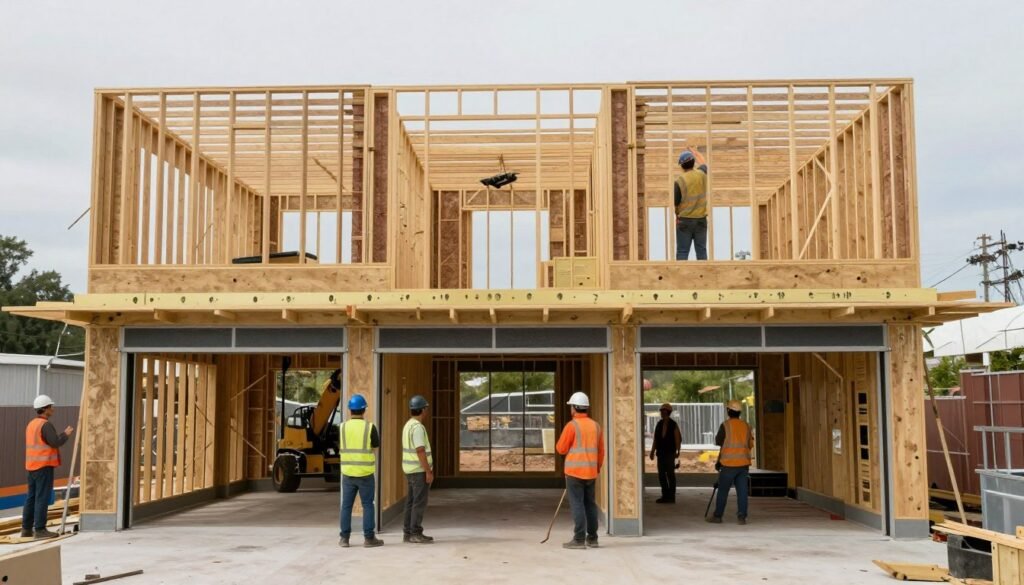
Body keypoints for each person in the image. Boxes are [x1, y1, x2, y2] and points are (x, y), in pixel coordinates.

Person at [555, 391, 605, 550]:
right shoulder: (596, 426)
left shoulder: (572, 426)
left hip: (574, 473)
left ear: (575, 408)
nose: (570, 410)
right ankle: (593, 538)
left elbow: (561, 449)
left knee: (577, 504)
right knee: (590, 504)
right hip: (591, 472)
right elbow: (601, 451)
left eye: (571, 407)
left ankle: (578, 539)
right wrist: (596, 468)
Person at [22, 395, 73, 539]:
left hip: (32, 466)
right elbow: (55, 442)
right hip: (43, 467)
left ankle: (26, 529)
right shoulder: (45, 425)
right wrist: (66, 434)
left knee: (31, 498)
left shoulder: (31, 424)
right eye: (51, 406)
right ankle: (40, 530)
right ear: (45, 409)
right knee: (42, 498)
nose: (53, 409)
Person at [338, 393, 383, 548]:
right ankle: (369, 538)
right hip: (365, 473)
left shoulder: (342, 427)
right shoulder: (370, 427)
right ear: (364, 410)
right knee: (368, 505)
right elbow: (375, 447)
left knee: (346, 506)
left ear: (350, 410)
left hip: (348, 473)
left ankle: (344, 538)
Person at [707, 399, 754, 525]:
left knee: (723, 490)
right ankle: (742, 517)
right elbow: (750, 444)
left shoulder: (725, 425)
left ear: (728, 410)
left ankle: (718, 516)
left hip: (728, 465)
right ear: (739, 412)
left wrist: (719, 461)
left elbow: (719, 442)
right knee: (742, 492)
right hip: (743, 465)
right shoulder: (747, 426)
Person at [401, 395, 434, 544]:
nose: (426, 411)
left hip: (410, 470)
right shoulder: (418, 428)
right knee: (419, 502)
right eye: (426, 408)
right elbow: (420, 451)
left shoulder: (408, 425)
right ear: (422, 410)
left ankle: (407, 533)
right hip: (418, 470)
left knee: (411, 502)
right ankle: (415, 532)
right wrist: (428, 471)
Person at [674, 146, 710, 261]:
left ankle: (681, 278)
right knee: (701, 252)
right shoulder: (701, 174)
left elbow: (676, 202)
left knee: (682, 252)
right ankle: (704, 278)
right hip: (701, 220)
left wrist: (677, 217)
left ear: (681, 166)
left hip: (684, 221)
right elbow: (704, 163)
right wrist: (696, 153)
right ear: (693, 162)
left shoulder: (679, 180)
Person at [649, 403, 682, 504]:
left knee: (670, 475)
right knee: (661, 475)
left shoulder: (673, 425)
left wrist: (677, 452)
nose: (661, 413)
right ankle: (665, 495)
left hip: (670, 453)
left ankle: (671, 497)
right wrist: (652, 451)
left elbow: (678, 439)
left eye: (663, 411)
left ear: (668, 412)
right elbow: (656, 439)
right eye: (661, 411)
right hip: (661, 453)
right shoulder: (659, 424)